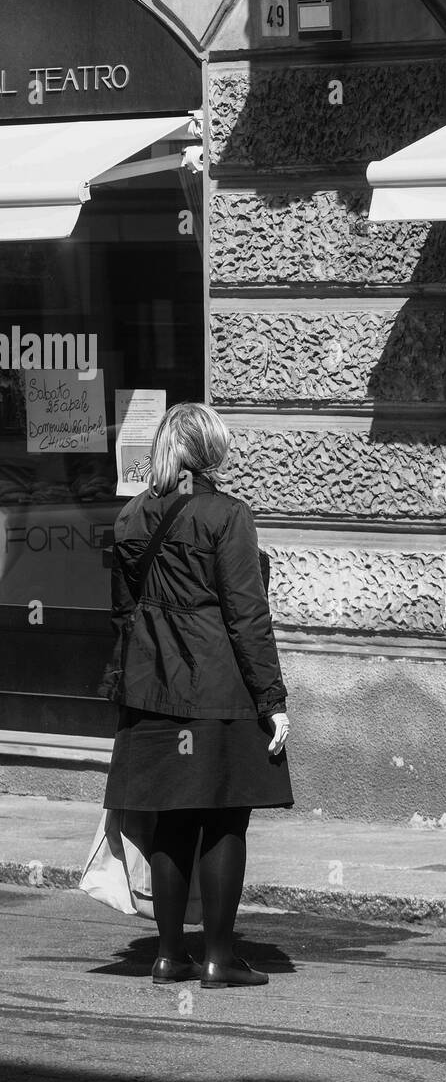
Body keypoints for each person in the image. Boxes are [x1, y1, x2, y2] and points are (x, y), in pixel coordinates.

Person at [102, 402, 292, 989]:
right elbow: (247, 615)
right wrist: (273, 698)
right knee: (226, 821)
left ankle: (166, 955)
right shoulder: (227, 515)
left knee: (172, 823)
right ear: (207, 452)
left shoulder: (131, 516)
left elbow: (123, 613)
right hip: (218, 687)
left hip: (153, 688)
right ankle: (217, 956)